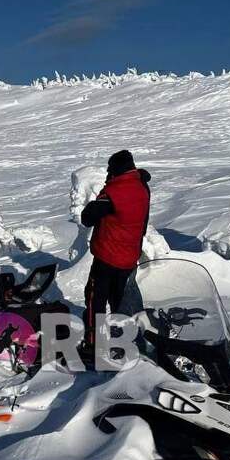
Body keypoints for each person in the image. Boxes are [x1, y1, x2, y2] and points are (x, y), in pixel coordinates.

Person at [78, 149, 151, 366]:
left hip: (107, 257)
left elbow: (87, 217)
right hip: (129, 257)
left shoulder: (114, 192)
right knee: (121, 301)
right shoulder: (142, 187)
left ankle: (93, 345)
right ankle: (124, 342)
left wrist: (101, 196)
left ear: (115, 169)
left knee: (95, 300)